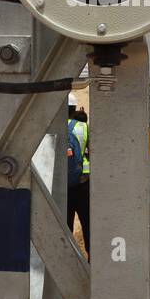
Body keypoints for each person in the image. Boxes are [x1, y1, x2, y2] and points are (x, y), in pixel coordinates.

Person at [66, 92, 90, 257]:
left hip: (60, 182)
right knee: (87, 223)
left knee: (64, 224)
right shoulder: (82, 127)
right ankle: (92, 259)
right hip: (83, 182)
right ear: (73, 108)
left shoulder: (50, 125)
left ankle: (66, 259)